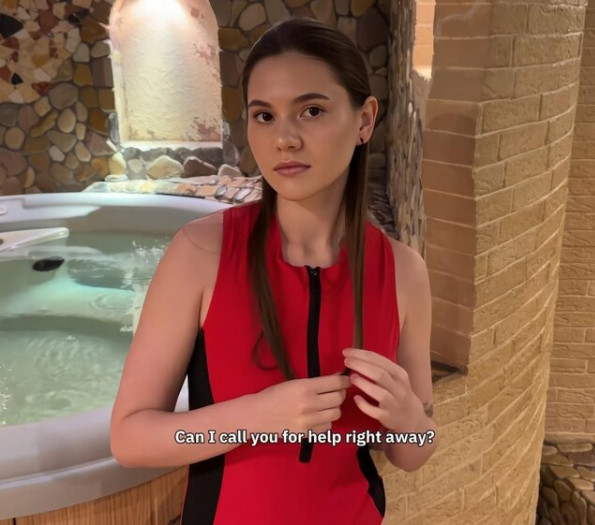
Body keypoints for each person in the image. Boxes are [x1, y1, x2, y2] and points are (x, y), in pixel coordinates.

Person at [110, 17, 437, 525]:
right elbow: (130, 439)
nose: (284, 138)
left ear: (364, 120)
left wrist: (410, 419)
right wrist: (256, 417)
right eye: (264, 115)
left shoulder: (402, 271)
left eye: (311, 111)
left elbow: (413, 452)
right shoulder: (201, 252)